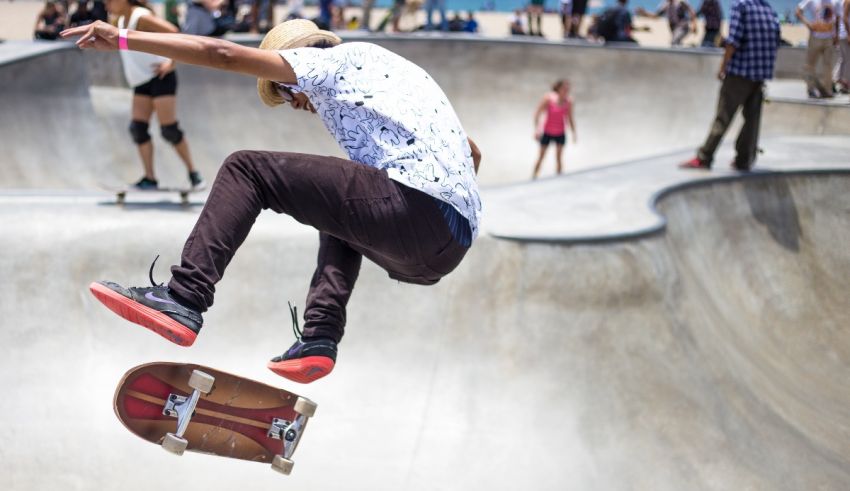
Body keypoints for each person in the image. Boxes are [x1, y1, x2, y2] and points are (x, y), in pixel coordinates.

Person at [62, 19, 483, 384]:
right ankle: (320, 335)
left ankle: (184, 297)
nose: (294, 103)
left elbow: (221, 53)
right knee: (339, 206)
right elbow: (473, 153)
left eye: (284, 90)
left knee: (247, 169)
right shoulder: (391, 76)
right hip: (448, 245)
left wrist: (120, 38)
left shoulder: (328, 61)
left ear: (296, 62)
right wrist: (432, 217)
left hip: (410, 207)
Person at [108, 0, 203, 190]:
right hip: (141, 81)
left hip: (160, 77)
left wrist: (172, 63)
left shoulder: (141, 17)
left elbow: (175, 33)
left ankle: (194, 175)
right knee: (138, 129)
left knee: (169, 130)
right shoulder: (118, 20)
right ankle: (150, 178)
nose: (105, 3)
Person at [680, 0, 780, 171]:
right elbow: (776, 39)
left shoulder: (741, 6)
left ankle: (704, 157)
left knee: (723, 116)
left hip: (739, 72)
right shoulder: (767, 9)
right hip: (761, 74)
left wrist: (723, 67)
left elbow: (733, 40)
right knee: (752, 120)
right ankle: (744, 159)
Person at [532, 79, 577, 179]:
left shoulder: (569, 101)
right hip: (547, 132)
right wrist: (537, 130)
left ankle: (559, 178)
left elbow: (570, 118)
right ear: (558, 89)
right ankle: (533, 177)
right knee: (541, 157)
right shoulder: (549, 98)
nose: (566, 91)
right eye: (564, 88)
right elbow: (537, 113)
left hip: (560, 133)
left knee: (559, 158)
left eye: (568, 89)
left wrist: (574, 133)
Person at [797, 0, 839, 97]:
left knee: (828, 65)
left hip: (829, 37)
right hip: (815, 37)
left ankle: (827, 90)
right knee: (810, 65)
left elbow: (837, 17)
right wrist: (808, 24)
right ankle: (811, 88)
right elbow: (798, 11)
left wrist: (836, 35)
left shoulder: (835, 1)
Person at [838, 0, 850, 93]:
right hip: (845, 34)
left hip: (843, 34)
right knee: (847, 60)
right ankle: (844, 83)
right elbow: (845, 18)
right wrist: (849, 34)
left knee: (843, 59)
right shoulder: (847, 1)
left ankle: (838, 81)